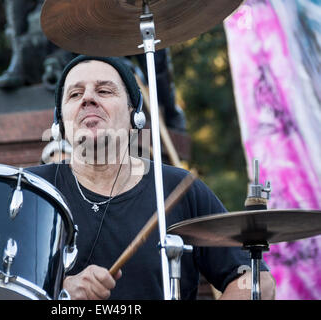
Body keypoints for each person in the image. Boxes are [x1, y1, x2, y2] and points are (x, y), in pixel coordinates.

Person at [27, 55, 275, 300]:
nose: (88, 99)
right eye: (74, 94)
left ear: (135, 114)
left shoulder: (178, 189)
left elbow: (257, 282)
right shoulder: (30, 191)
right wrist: (57, 290)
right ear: (60, 122)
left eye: (104, 91)